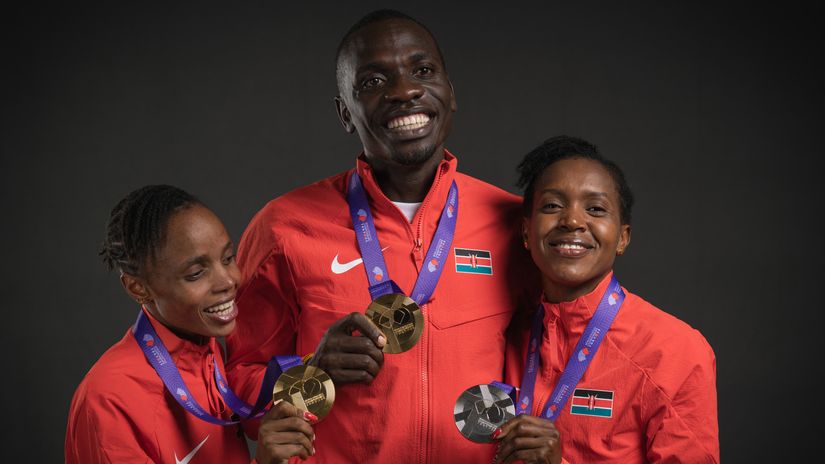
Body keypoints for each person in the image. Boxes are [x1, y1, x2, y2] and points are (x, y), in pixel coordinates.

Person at [226, 9, 536, 463]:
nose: (404, 91)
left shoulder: (513, 223)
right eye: (372, 82)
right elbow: (236, 387)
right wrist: (313, 371)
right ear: (345, 114)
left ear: (451, 94)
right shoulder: (283, 227)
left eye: (423, 71)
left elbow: (548, 364)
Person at [494, 136, 719, 463]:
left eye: (595, 209)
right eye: (552, 206)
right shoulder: (505, 334)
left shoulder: (674, 351)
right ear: (527, 232)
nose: (572, 221)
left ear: (622, 238)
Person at [65, 185, 316, 464]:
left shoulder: (208, 351)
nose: (228, 281)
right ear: (138, 288)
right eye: (196, 273)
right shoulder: (109, 398)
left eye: (228, 258)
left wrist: (321, 370)